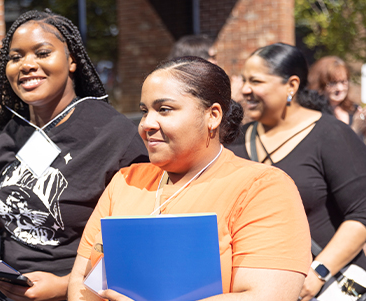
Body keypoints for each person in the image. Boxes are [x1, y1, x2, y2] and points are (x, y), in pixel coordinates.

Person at [0, 9, 148, 301]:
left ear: (72, 60)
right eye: (16, 57)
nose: (27, 64)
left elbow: (138, 242)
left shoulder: (115, 135)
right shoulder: (2, 138)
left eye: (42, 52)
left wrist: (63, 285)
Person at [68, 56, 311, 300]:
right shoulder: (125, 182)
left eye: (164, 109)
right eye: (144, 111)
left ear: (213, 115)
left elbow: (265, 296)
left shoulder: (263, 189)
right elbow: (81, 284)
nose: (146, 124)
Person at [226, 43, 366, 301]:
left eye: (256, 81)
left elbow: (361, 213)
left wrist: (318, 272)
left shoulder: (331, 135)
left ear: (291, 85)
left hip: (325, 288)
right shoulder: (235, 142)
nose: (245, 90)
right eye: (244, 80)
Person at [168, 34, 247, 124]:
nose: (216, 62)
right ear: (198, 60)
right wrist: (233, 100)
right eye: (212, 57)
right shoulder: (181, 92)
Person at [308, 55, 366, 142]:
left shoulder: (354, 110)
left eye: (343, 82)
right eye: (333, 83)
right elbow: (333, 149)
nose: (340, 88)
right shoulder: (315, 115)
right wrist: (355, 129)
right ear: (320, 85)